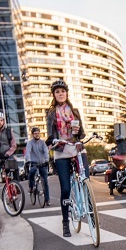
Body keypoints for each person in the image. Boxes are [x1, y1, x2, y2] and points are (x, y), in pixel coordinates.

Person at [44, 79, 86, 237]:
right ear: (54, 95)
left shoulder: (74, 111)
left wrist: (78, 133)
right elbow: (49, 134)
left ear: (66, 93)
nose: (60, 94)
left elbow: (82, 133)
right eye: (57, 92)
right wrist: (51, 141)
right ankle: (65, 222)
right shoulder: (50, 113)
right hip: (61, 150)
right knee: (66, 189)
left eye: (63, 91)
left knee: (85, 178)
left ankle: (92, 214)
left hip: (76, 147)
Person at [25, 126, 51, 205]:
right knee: (32, 172)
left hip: (42, 163)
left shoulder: (43, 143)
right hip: (33, 162)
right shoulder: (30, 143)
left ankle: (47, 199)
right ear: (32, 134)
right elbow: (28, 152)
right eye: (35, 133)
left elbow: (46, 151)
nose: (37, 135)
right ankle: (31, 186)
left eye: (38, 133)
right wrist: (28, 161)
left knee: (45, 181)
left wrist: (47, 160)